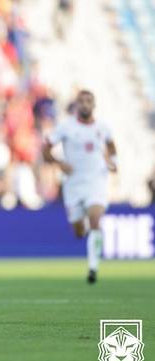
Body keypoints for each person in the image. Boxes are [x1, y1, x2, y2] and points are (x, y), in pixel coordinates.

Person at [43, 89, 117, 284]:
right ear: (76, 105)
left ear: (94, 105)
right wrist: (59, 163)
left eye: (88, 101)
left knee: (95, 217)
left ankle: (93, 268)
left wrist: (113, 162)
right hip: (74, 184)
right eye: (81, 101)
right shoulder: (66, 127)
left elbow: (111, 145)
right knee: (78, 231)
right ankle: (82, 227)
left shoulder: (103, 127)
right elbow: (45, 149)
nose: (85, 104)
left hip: (96, 181)